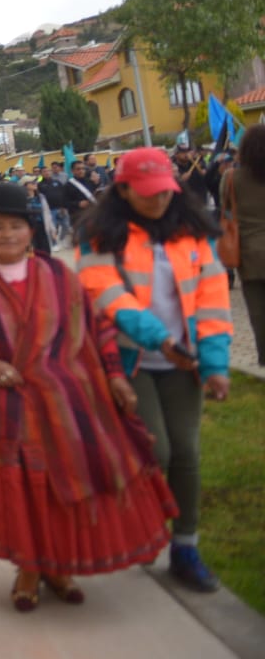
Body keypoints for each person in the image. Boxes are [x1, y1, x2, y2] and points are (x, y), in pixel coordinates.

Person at [0, 182, 176, 612]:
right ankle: (29, 568)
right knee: (24, 491)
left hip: (66, 402)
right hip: (5, 407)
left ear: (30, 232)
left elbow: (98, 329)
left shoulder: (59, 277)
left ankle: (57, 566)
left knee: (60, 487)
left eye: (14, 226)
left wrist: (116, 377)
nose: (5, 234)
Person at [76, 147, 232, 592]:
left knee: (186, 453)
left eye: (164, 192)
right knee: (155, 451)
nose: (158, 200)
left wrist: (215, 363)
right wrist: (160, 339)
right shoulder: (99, 234)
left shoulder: (193, 234)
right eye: (147, 193)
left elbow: (213, 299)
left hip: (184, 363)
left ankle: (185, 547)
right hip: (130, 360)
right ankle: (129, 527)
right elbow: (107, 294)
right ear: (123, 190)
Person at [226, 126, 265, 363]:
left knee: (258, 313)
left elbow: (227, 209)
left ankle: (263, 358)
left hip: (248, 254)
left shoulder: (231, 178)